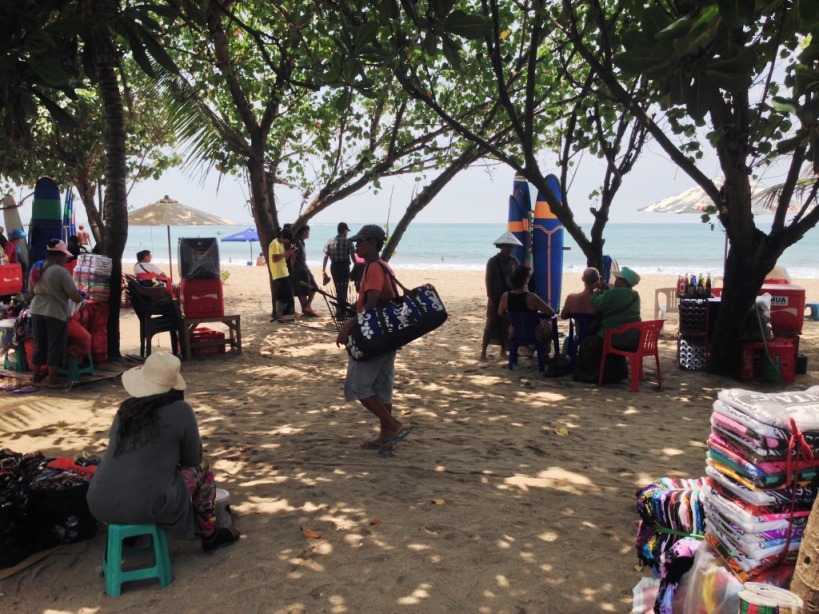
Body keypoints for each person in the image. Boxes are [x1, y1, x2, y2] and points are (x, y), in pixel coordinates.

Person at [86, 352, 240, 552]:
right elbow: (193, 459)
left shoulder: (125, 410)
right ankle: (210, 535)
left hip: (99, 502)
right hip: (148, 504)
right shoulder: (181, 410)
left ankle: (130, 535)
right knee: (204, 468)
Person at [336, 224, 411, 451]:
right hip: (389, 337)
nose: (357, 245)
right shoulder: (384, 266)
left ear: (373, 243)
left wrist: (348, 327)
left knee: (357, 386)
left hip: (376, 338)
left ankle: (393, 424)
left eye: (361, 242)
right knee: (382, 387)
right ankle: (385, 438)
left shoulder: (373, 268)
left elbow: (371, 303)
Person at [29, 239, 83, 387]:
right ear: (59, 255)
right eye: (64, 256)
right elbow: (73, 295)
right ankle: (52, 380)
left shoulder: (37, 267)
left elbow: (30, 291)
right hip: (55, 312)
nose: (65, 258)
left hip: (36, 310)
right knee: (55, 345)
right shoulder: (61, 272)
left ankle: (34, 377)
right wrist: (81, 299)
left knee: (39, 345)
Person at [574, 266, 642, 384]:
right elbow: (617, 301)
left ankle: (588, 375)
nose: (615, 280)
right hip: (633, 339)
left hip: (614, 338)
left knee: (587, 343)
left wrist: (595, 292)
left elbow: (596, 304)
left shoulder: (614, 292)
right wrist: (608, 291)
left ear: (622, 281)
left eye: (617, 278)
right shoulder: (635, 295)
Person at [479, 231, 521, 362]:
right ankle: (483, 352)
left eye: (511, 247)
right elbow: (488, 280)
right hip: (495, 297)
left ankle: (503, 350)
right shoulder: (492, 261)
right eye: (508, 246)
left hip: (509, 298)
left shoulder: (514, 261)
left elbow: (518, 278)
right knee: (491, 323)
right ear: (502, 246)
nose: (510, 249)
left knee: (505, 324)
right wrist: (490, 298)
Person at [498, 265, 556, 344]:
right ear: (525, 280)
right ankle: (542, 352)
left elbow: (500, 312)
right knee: (548, 325)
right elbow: (551, 312)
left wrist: (514, 319)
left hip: (516, 332)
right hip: (533, 333)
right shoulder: (531, 297)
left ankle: (525, 348)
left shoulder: (505, 296)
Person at [322, 222, 356, 316]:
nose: (347, 233)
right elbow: (353, 257)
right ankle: (342, 311)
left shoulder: (330, 241)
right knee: (344, 289)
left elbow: (325, 257)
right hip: (344, 267)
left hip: (334, 267)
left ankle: (339, 311)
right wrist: (357, 267)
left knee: (338, 288)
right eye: (347, 231)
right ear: (344, 230)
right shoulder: (348, 241)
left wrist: (323, 270)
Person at [268, 228, 298, 322]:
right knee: (288, 296)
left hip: (284, 272)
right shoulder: (275, 244)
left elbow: (284, 258)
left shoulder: (280, 244)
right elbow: (274, 259)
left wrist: (290, 251)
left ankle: (280, 316)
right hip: (279, 273)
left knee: (280, 296)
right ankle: (282, 315)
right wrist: (286, 252)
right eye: (286, 239)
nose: (286, 241)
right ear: (282, 236)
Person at [291, 225, 318, 317]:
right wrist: (292, 269)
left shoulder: (301, 241)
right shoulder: (297, 241)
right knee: (303, 291)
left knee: (313, 288)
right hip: (300, 270)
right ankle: (306, 309)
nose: (308, 234)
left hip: (304, 268)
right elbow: (293, 256)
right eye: (307, 231)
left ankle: (307, 307)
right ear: (303, 232)